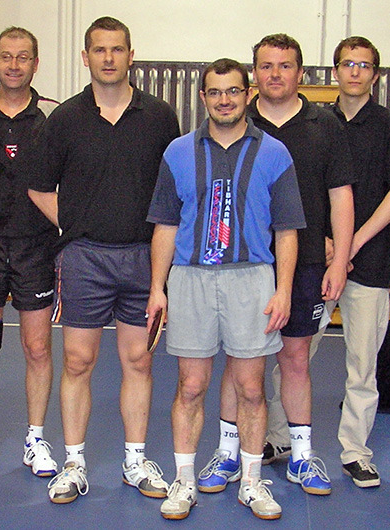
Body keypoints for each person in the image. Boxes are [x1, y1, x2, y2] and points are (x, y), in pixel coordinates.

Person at [26, 16, 181, 504]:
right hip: (84, 260)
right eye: (99, 49)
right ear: (85, 57)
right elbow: (38, 187)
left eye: (117, 49)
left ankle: (135, 462)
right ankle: (74, 464)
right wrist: (75, 226)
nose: (108, 58)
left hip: (143, 257)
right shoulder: (64, 119)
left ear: (131, 56)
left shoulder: (160, 117)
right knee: (77, 360)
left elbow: (173, 192)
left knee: (138, 360)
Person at [149, 58, 304, 521]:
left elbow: (287, 231)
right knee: (191, 386)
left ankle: (252, 483)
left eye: (233, 91)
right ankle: (184, 480)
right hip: (191, 278)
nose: (224, 100)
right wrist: (157, 287)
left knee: (251, 388)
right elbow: (165, 225)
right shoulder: (177, 152)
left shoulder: (275, 153)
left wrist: (283, 290)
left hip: (251, 278)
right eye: (215, 92)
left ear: (247, 94)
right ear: (203, 97)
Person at [211, 33, 354, 497]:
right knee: (240, 362)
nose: (275, 74)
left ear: (301, 72)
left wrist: (341, 260)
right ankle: (228, 451)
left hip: (308, 261)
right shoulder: (236, 120)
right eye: (266, 66)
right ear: (254, 74)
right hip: (246, 264)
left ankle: (302, 456)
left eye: (285, 65)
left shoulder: (326, 125)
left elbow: (341, 197)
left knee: (295, 360)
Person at [0, 26, 61, 479]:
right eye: (6, 56)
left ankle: (35, 438)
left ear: (36, 63)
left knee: (37, 347)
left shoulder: (54, 117)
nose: (14, 65)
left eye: (23, 57)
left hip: (35, 247)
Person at [328, 36, 390, 489]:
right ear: (335, 71)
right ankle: (279, 438)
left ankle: (355, 451)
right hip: (318, 262)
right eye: (348, 64)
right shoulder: (318, 123)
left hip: (370, 261)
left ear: (375, 75)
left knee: (363, 365)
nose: (355, 71)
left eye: (364, 65)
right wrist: (327, 246)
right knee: (294, 355)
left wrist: (351, 244)